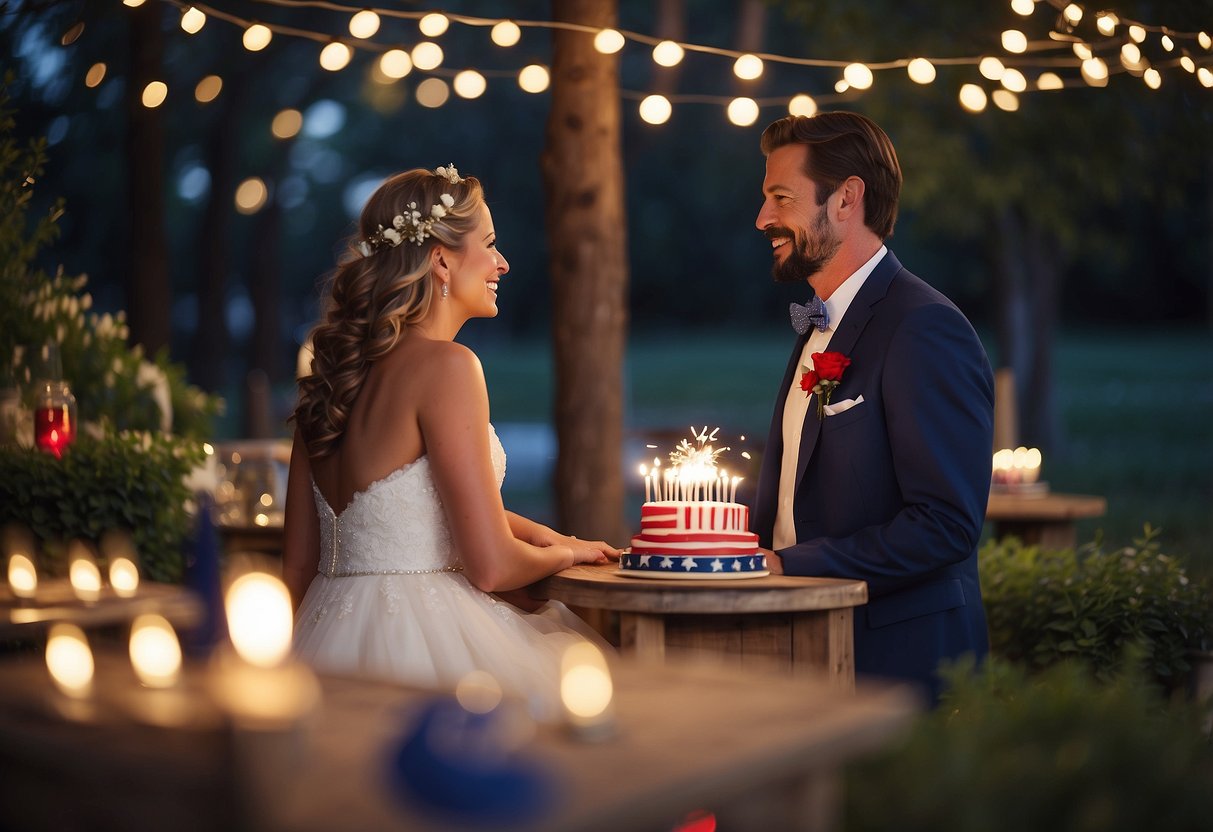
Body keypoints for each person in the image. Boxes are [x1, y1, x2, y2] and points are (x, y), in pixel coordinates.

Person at [283, 165, 617, 719]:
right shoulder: (449, 368)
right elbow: (490, 566)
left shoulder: (331, 380)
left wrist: (549, 534)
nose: (502, 262)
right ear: (440, 259)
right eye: (488, 244)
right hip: (427, 643)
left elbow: (304, 561)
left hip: (320, 637)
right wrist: (565, 555)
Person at [751, 112, 994, 703]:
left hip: (895, 662)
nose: (763, 219)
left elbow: (946, 524)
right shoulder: (817, 323)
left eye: (781, 198)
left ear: (846, 199)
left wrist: (791, 565)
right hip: (798, 651)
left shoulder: (924, 326)